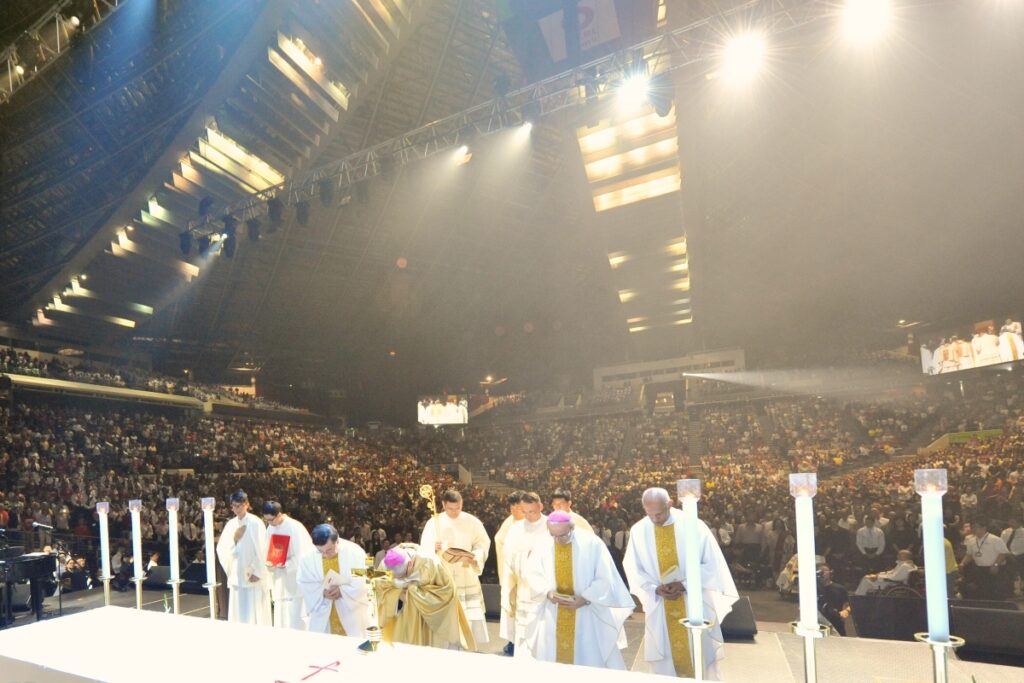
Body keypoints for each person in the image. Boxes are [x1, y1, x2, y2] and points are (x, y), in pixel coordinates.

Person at [623, 488, 739, 680]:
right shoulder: (638, 530)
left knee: (698, 652)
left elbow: (712, 564)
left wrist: (685, 584)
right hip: (661, 605)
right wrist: (654, 589)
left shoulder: (694, 525)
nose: (654, 518)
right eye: (649, 513)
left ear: (670, 504)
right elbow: (633, 568)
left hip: (693, 602)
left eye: (658, 513)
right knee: (665, 655)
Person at [520, 511, 634, 669]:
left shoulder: (592, 543)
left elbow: (605, 577)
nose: (557, 540)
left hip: (586, 613)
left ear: (572, 528)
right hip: (553, 612)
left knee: (587, 657)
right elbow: (532, 573)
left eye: (562, 535)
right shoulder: (542, 543)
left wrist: (586, 597)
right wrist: (547, 592)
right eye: (553, 535)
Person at [419, 489, 490, 648]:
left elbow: (482, 543)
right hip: (444, 574)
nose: (454, 512)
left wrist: (476, 557)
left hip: (465, 571)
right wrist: (434, 547)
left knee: (466, 617)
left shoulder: (472, 521)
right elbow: (424, 548)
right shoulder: (434, 522)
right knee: (446, 620)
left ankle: (464, 646)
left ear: (462, 504)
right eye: (450, 509)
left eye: (458, 508)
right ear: (443, 505)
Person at [374, 544, 475, 650]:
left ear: (410, 564)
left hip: (427, 620)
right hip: (402, 614)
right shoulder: (385, 564)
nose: (403, 578)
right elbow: (381, 587)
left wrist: (413, 592)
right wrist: (398, 593)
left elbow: (447, 591)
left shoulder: (431, 563)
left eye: (404, 575)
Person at [296, 523, 370, 636]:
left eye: (329, 550)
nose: (325, 555)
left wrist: (343, 591)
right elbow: (304, 581)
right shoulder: (308, 557)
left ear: (337, 540)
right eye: (321, 551)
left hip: (351, 611)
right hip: (323, 611)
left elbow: (364, 577)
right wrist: (322, 592)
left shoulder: (355, 552)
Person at [501, 491, 549, 655]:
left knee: (544, 633)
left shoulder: (550, 525)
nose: (529, 516)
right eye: (525, 512)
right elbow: (507, 554)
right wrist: (524, 557)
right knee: (524, 633)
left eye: (533, 511)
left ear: (541, 506)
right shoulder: (516, 529)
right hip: (525, 587)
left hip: (545, 589)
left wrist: (537, 557)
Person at [215, 490, 271, 625]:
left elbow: (264, 548)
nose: (236, 509)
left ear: (247, 504)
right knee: (239, 612)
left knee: (255, 611)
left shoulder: (256, 522)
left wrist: (258, 571)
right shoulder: (231, 524)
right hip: (238, 574)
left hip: (254, 574)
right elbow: (221, 549)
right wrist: (235, 539)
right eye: (233, 506)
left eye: (239, 505)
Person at [262, 501, 314, 630]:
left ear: (279, 515)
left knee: (295, 616)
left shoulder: (295, 527)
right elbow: (268, 549)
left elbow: (304, 554)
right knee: (281, 614)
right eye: (266, 520)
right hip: (280, 578)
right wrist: (269, 563)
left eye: (271, 520)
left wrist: (286, 564)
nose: (269, 523)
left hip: (294, 578)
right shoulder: (270, 527)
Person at [494, 491, 524, 655]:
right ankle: (512, 641)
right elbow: (499, 540)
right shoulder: (509, 521)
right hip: (511, 573)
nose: (513, 509)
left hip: (527, 576)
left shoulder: (532, 521)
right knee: (511, 609)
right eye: (511, 506)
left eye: (517, 506)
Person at [960, 518, 1012, 600]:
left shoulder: (995, 539)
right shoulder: (971, 540)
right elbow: (969, 554)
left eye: (976, 527)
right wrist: (962, 563)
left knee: (995, 593)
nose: (974, 529)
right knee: (981, 593)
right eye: (973, 527)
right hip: (979, 570)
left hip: (994, 569)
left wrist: (996, 564)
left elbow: (1003, 553)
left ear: (983, 528)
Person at [817, 565, 851, 636]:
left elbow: (848, 605)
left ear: (830, 572)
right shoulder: (813, 589)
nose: (822, 573)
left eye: (824, 570)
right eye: (820, 571)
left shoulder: (840, 589)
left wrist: (846, 611)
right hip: (818, 626)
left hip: (836, 624)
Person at [999, 516, 1024, 595]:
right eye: (1010, 521)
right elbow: (1001, 543)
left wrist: (1015, 554)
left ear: (1019, 522)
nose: (1011, 524)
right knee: (1008, 574)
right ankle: (1010, 591)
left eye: (1013, 522)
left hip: (1020, 555)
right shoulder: (1005, 532)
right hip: (1006, 555)